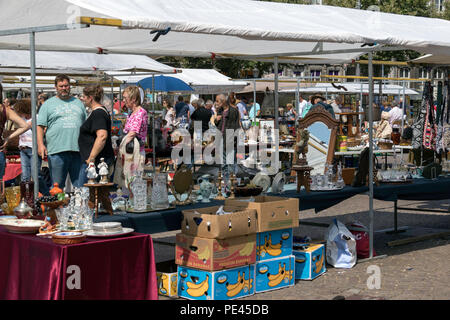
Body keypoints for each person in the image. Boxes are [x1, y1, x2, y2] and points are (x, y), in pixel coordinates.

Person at [37, 74, 87, 190]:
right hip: (56, 151)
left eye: (66, 86)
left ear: (70, 87)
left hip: (77, 151)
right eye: (61, 86)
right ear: (56, 87)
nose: (64, 88)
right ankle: (57, 208)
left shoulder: (78, 103)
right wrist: (40, 144)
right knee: (57, 187)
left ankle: (79, 208)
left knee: (80, 187)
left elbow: (84, 125)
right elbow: (40, 126)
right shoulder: (48, 104)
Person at [78, 85, 114, 214]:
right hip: (93, 160)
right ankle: (89, 216)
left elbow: (102, 136)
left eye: (84, 97)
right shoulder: (97, 112)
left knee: (86, 193)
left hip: (95, 161)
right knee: (96, 194)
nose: (82, 99)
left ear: (90, 98)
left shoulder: (98, 113)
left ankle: (85, 217)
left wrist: (91, 157)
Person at [114, 86, 147, 192]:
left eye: (125, 98)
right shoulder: (131, 113)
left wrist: (119, 146)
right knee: (126, 183)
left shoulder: (140, 112)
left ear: (133, 99)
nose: (123, 100)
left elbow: (132, 134)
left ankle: (133, 205)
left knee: (133, 183)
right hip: (128, 152)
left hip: (135, 153)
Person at [13, 98, 50, 194]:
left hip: (33, 149)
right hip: (23, 149)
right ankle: (26, 198)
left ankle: (46, 194)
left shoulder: (36, 117)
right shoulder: (22, 119)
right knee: (25, 176)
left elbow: (27, 126)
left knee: (36, 175)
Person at [0, 89, 34, 186]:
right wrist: (8, 138)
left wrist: (8, 138)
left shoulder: (6, 110)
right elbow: (25, 126)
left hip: (29, 148)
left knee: (30, 175)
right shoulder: (5, 110)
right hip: (5, 150)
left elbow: (25, 126)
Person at [213, 94, 241, 194]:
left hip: (229, 140)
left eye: (217, 101)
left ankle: (233, 186)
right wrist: (217, 120)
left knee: (230, 165)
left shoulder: (233, 111)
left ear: (223, 101)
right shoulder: (220, 111)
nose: (216, 103)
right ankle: (227, 185)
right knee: (224, 165)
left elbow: (236, 126)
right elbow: (217, 125)